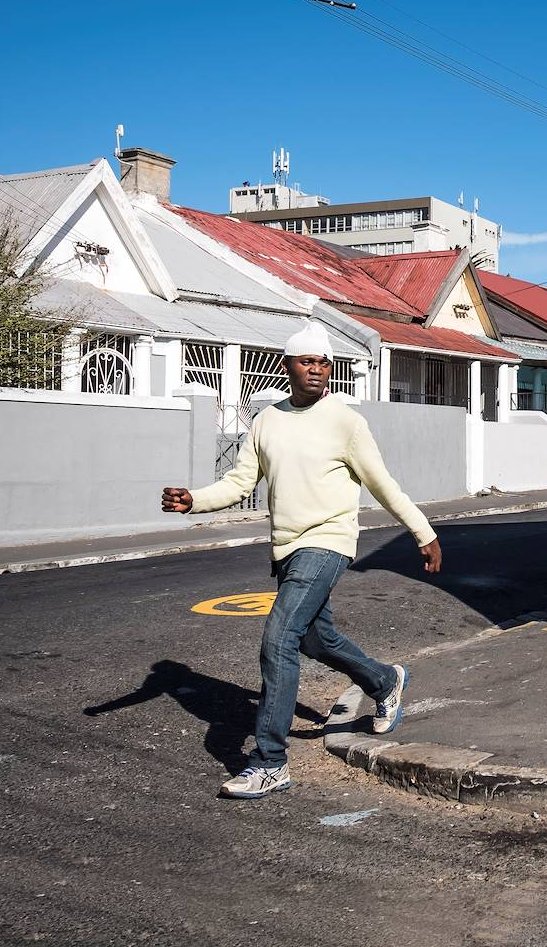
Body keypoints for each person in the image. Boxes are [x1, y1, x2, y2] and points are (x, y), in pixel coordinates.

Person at [162, 321, 442, 798]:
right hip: (287, 548)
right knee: (316, 637)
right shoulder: (268, 420)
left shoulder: (346, 422)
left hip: (328, 541)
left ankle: (270, 761)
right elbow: (239, 483)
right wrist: (195, 500)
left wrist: (423, 532)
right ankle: (384, 680)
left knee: (279, 638)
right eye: (306, 361)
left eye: (323, 363)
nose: (315, 370)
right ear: (287, 366)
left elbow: (382, 484)